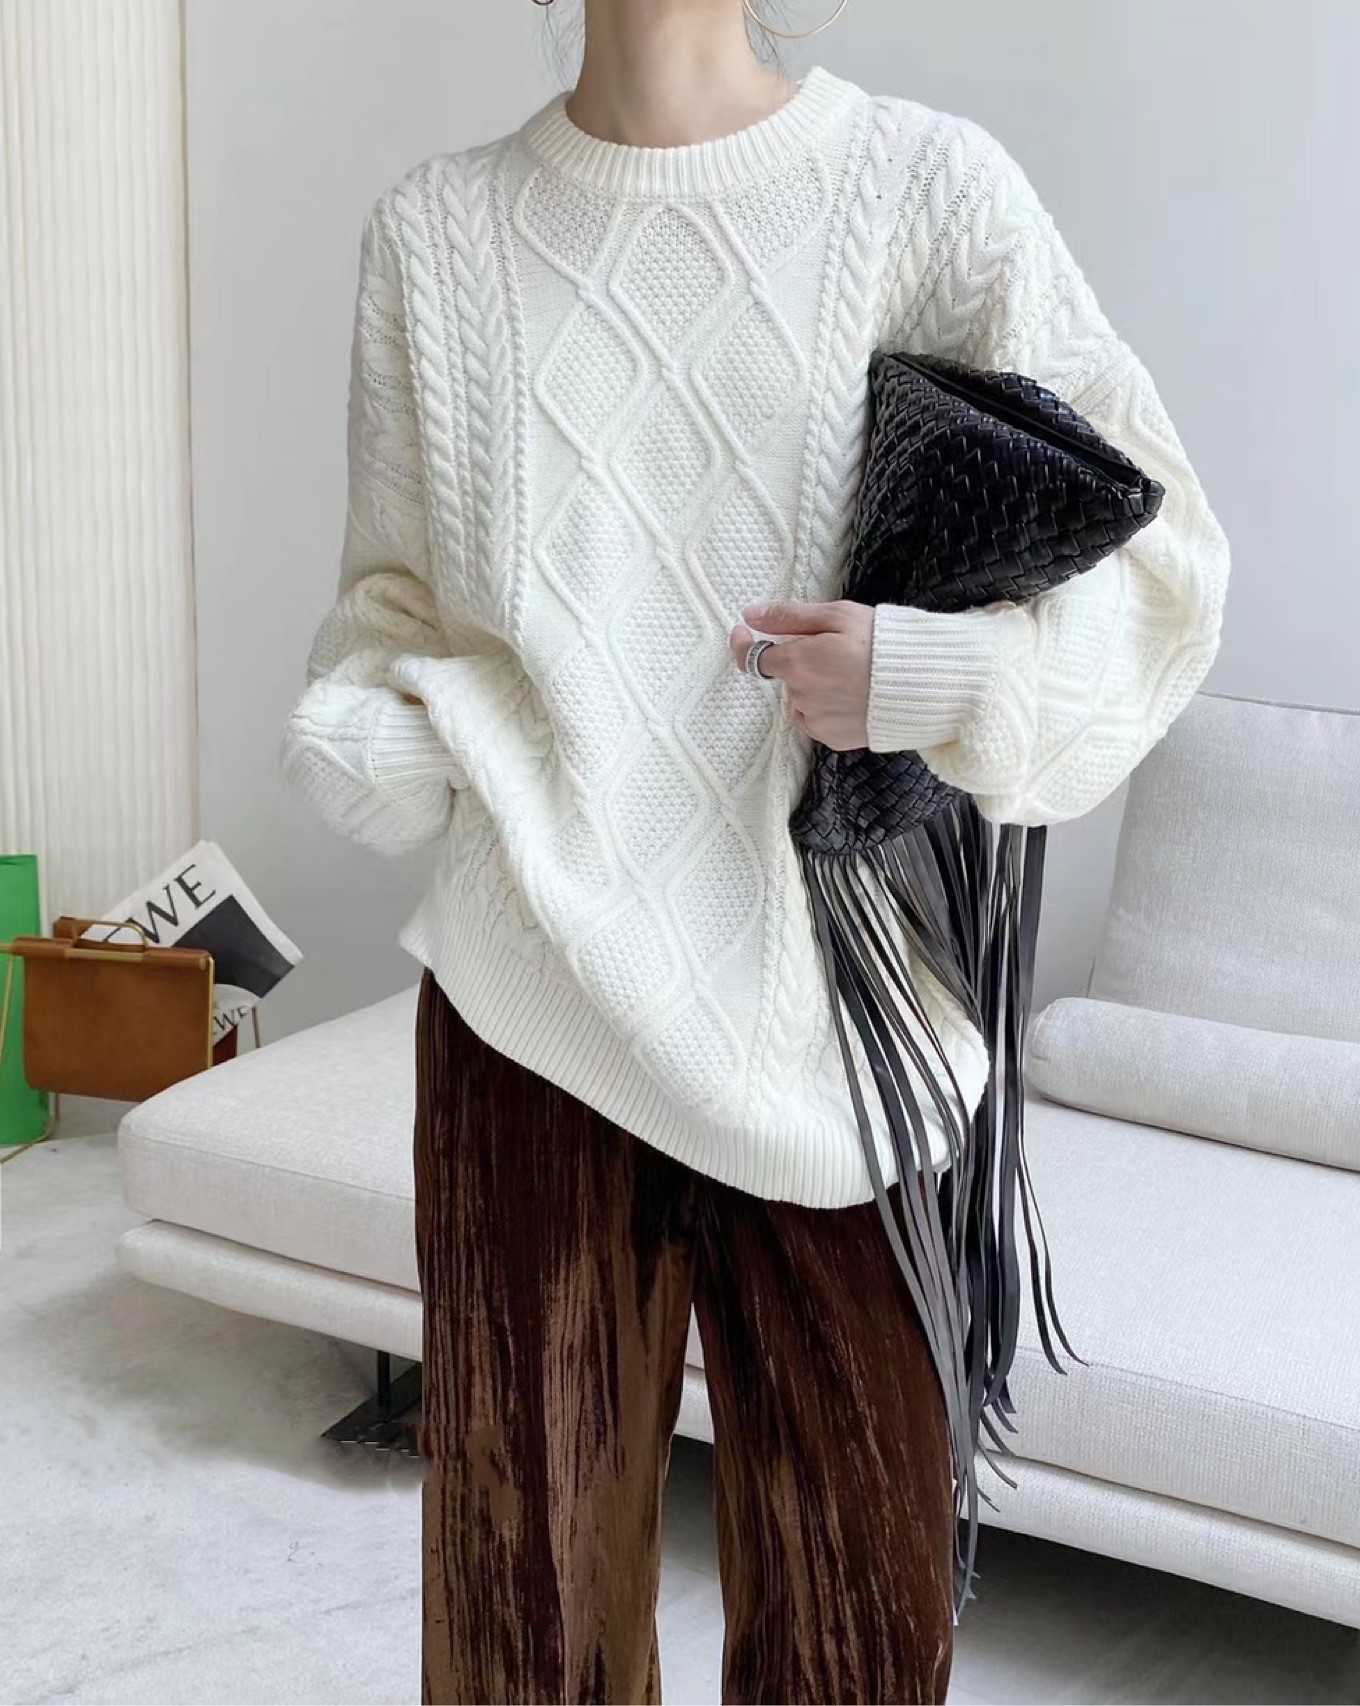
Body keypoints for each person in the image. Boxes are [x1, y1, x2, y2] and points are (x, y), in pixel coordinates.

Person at [280, 2, 1230, 1700]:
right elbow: (387, 620)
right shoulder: (433, 236)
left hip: (843, 1032)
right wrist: (387, 731)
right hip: (526, 1015)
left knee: (857, 1641)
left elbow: (1165, 575)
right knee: (521, 1646)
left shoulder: (923, 189)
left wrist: (933, 676)